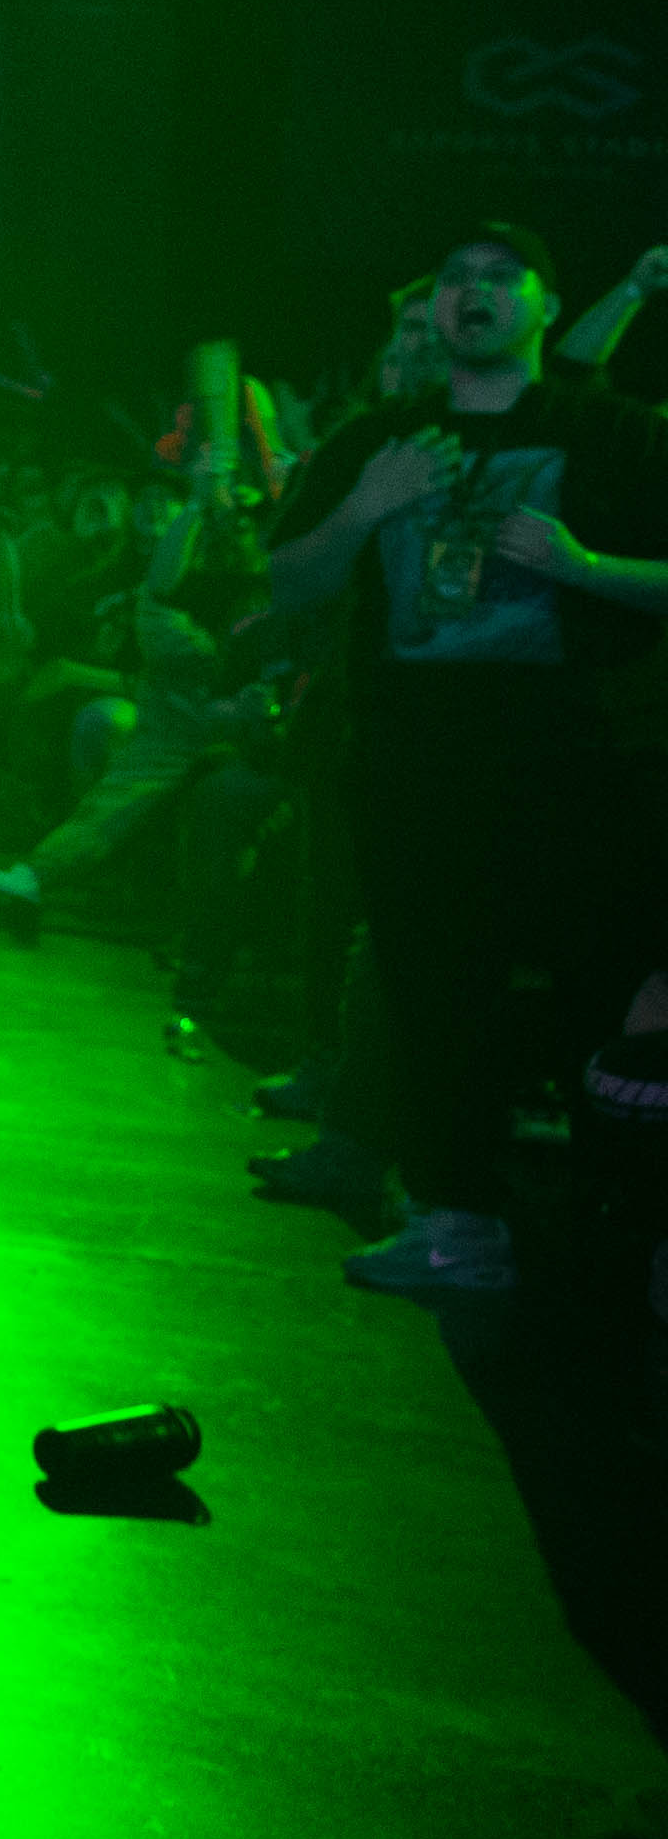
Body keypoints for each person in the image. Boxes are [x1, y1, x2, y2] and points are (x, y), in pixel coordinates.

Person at [257, 222, 668, 1300]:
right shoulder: (380, 439)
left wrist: (586, 566)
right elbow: (290, 582)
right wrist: (366, 508)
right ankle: (460, 1223)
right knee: (431, 1001)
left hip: (575, 773)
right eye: (454, 279)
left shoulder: (610, 432)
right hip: (413, 773)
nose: (472, 293)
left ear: (546, 306)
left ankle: (609, 1235)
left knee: (587, 1004)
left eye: (499, 278)